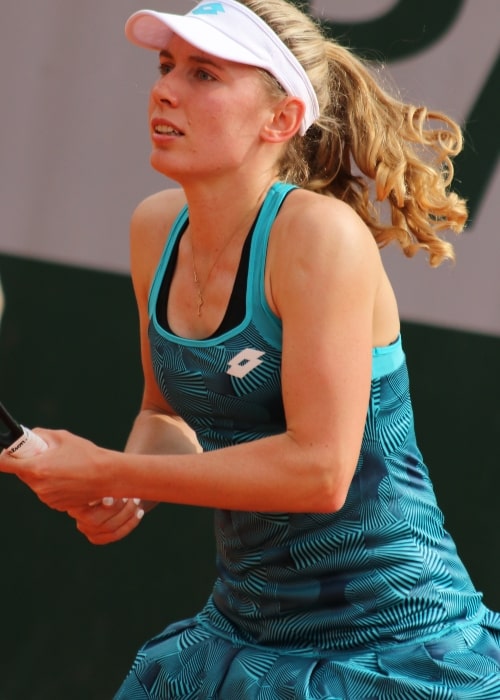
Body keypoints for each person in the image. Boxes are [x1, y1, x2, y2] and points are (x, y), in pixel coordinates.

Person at [1, 0, 499, 697]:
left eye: (204, 73)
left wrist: (108, 467)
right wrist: (123, 484)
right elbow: (167, 415)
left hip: (394, 645)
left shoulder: (321, 238)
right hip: (245, 633)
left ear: (281, 119)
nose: (165, 88)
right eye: (166, 66)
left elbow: (320, 471)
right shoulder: (155, 229)